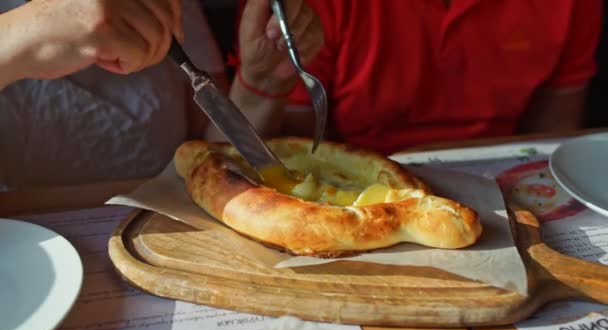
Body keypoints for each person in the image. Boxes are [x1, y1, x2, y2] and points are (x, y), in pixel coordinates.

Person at [222, 0, 602, 155]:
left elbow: (553, 136)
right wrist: (263, 85)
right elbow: (298, 151)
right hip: (357, 187)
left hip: (505, 190)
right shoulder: (309, 8)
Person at [0, 0, 225, 190]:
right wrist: (23, 31)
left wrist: (253, 83)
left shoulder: (168, 5)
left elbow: (210, 142)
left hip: (165, 225)